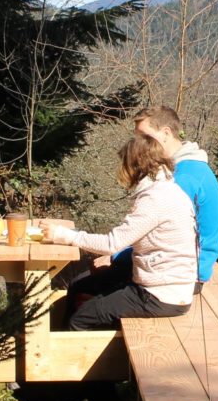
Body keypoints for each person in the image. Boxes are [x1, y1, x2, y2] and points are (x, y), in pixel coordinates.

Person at [37, 136, 197, 331]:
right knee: (80, 288)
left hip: (159, 295)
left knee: (80, 319)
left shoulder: (155, 199)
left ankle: (76, 359)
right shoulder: (170, 191)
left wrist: (64, 235)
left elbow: (112, 243)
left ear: (135, 165)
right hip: (169, 289)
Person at [134, 106, 218, 293]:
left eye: (144, 136)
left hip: (183, 274)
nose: (138, 143)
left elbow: (159, 233)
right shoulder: (185, 168)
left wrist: (115, 256)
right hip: (179, 266)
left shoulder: (184, 177)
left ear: (165, 133)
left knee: (84, 290)